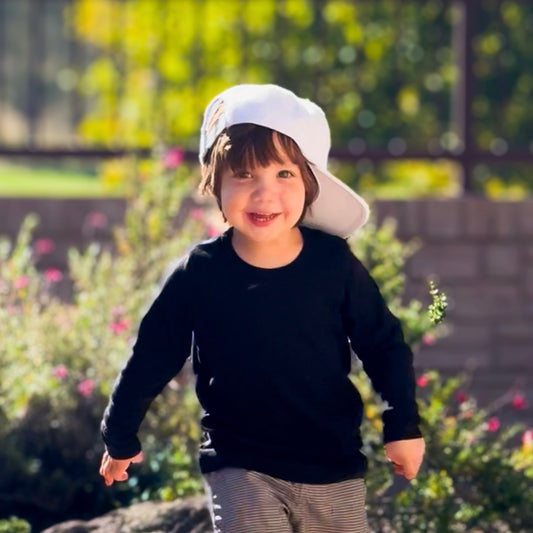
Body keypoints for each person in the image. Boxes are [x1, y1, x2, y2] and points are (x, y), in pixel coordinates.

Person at [99, 84, 425, 533]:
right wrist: (119, 435)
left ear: (309, 182)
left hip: (332, 466)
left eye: (284, 175)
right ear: (215, 183)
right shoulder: (200, 274)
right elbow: (150, 357)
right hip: (241, 465)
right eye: (245, 175)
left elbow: (383, 344)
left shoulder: (333, 265)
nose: (264, 194)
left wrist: (403, 425)